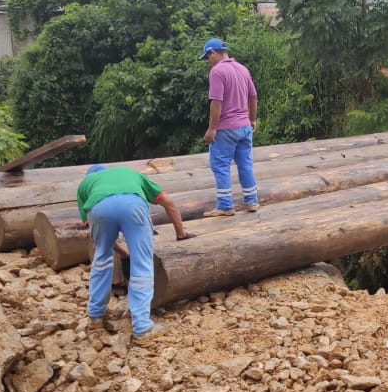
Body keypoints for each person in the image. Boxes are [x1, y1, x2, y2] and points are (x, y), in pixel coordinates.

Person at [77, 164, 190, 344]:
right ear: (107, 171)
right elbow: (168, 203)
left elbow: (102, 238)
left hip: (99, 209)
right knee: (142, 262)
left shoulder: (85, 185)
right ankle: (142, 327)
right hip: (133, 205)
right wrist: (181, 234)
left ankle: (95, 317)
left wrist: (123, 253)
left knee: (101, 259)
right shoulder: (130, 172)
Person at [200, 37, 260, 217]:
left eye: (208, 57)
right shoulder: (242, 69)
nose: (208, 62)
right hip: (244, 126)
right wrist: (252, 119)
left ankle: (226, 205)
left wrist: (212, 129)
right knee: (245, 163)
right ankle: (251, 201)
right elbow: (253, 96)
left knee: (220, 165)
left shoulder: (217, 71)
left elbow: (216, 102)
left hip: (226, 128)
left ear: (213, 52)